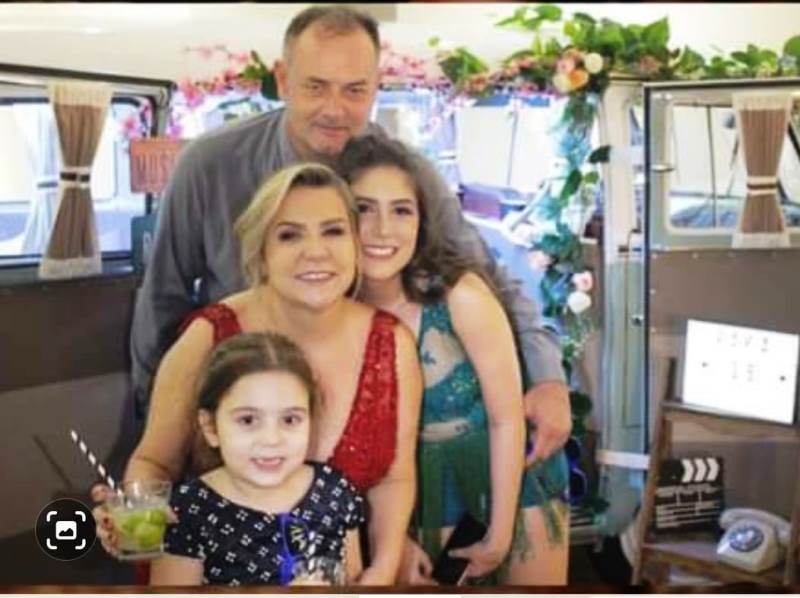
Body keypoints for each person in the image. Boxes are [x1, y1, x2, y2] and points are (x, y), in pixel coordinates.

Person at [129, 5, 572, 466]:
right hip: (243, 424)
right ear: (283, 80)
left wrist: (548, 377)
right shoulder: (210, 165)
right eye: (316, 87)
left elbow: (488, 275)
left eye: (355, 90)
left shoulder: (407, 175)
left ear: (376, 86)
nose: (334, 109)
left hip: (370, 426)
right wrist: (159, 439)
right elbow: (163, 299)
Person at [96, 163, 422, 585]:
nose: (316, 251)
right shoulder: (206, 337)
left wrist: (383, 568)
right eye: (289, 235)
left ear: (355, 244)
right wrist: (137, 523)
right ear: (261, 252)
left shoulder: (392, 343)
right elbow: (154, 460)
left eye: (333, 231)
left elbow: (396, 477)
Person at [338, 134, 570, 585]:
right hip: (412, 496)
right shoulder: (333, 315)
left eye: (401, 210)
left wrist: (500, 534)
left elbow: (506, 419)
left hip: (509, 480)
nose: (383, 229)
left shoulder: (459, 295)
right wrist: (386, 537)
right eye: (364, 208)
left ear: (422, 220)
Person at [150, 332, 365, 586]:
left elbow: (354, 582)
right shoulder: (188, 510)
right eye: (248, 420)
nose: (271, 439)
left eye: (290, 420)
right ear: (211, 428)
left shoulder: (334, 491)